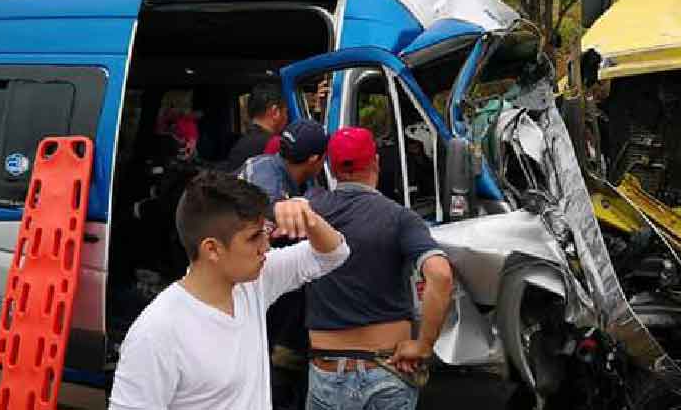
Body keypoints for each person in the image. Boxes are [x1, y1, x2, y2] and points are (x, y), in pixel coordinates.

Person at [108, 171, 349, 410]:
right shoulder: (158, 331)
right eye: (254, 237)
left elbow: (333, 254)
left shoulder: (253, 283)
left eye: (266, 232)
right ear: (212, 249)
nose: (265, 246)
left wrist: (308, 216)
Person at [304, 127, 454, 410]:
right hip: (386, 368)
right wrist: (424, 345)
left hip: (326, 371)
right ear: (375, 162)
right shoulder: (399, 218)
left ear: (331, 168)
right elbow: (441, 275)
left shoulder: (308, 213)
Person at [238, 119, 329, 410]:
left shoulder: (305, 182)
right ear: (315, 160)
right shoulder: (263, 170)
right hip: (247, 288)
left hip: (277, 297)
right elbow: (268, 206)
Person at [225, 83, 288, 171]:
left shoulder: (239, 145)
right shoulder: (276, 145)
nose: (286, 118)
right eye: (286, 112)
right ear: (275, 112)